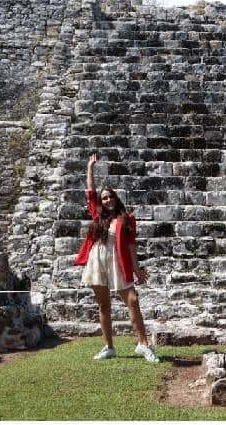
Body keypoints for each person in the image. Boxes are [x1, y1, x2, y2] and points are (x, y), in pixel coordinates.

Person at [74, 152, 160, 362]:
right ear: (101, 202)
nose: (108, 200)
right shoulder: (97, 215)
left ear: (116, 198)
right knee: (103, 305)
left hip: (117, 261)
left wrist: (137, 269)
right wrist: (90, 168)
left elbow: (131, 245)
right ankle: (109, 346)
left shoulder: (127, 218)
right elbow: (90, 191)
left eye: (110, 196)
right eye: (104, 198)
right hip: (97, 260)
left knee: (133, 300)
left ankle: (143, 344)